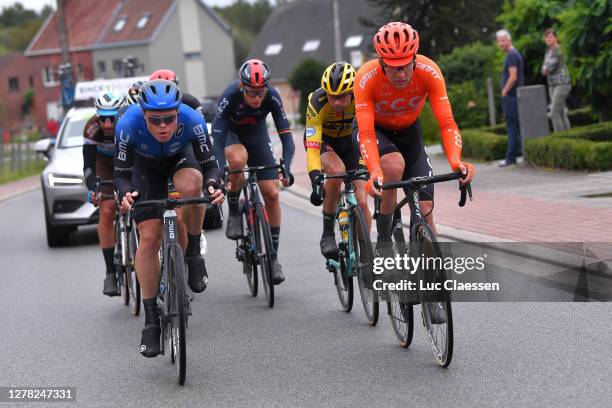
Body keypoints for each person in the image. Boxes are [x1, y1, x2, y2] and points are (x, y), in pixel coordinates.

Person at [114, 79, 224, 357]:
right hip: (144, 167)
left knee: (193, 186)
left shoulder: (193, 119)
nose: (163, 126)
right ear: (143, 115)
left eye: (169, 119)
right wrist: (125, 192)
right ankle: (151, 320)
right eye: (155, 120)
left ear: (178, 113)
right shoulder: (127, 125)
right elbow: (121, 175)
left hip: (180, 160)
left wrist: (214, 184)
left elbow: (211, 165)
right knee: (149, 239)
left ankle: (194, 254)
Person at [354, 21, 474, 243]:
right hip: (377, 132)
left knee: (426, 209)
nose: (401, 74)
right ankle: (383, 240)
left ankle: (435, 271)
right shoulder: (365, 77)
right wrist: (374, 172)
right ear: (381, 63)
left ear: (415, 59)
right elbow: (367, 134)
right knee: (393, 165)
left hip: (409, 132)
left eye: (406, 66)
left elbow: (447, 123)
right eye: (393, 67)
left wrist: (457, 162)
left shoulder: (430, 71)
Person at [212, 59, 295, 285]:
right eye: (252, 93)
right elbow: (217, 140)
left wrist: (286, 164)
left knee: (272, 193)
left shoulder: (272, 96)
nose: (257, 98)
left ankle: (274, 257)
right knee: (238, 159)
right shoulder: (230, 95)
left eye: (261, 92)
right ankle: (235, 212)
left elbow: (286, 136)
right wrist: (219, 170)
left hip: (257, 135)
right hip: (232, 135)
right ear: (242, 87)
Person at [305, 61, 371, 257]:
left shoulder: (363, 97)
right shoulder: (317, 101)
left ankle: (367, 254)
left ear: (351, 92)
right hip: (326, 143)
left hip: (351, 144)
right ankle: (327, 234)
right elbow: (313, 146)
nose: (336, 103)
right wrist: (315, 177)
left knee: (362, 201)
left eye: (342, 97)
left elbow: (369, 134)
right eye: (332, 97)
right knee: (336, 171)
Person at [83, 88, 126, 296]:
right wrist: (94, 188)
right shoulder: (91, 128)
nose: (107, 125)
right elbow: (88, 166)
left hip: (125, 160)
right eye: (103, 119)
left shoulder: (129, 123)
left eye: (112, 119)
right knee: (107, 210)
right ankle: (110, 272)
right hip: (103, 163)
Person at [496, 29, 525, 167]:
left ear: (509, 40)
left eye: (503, 40)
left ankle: (511, 157)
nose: (501, 43)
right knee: (515, 126)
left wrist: (504, 92)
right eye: (499, 41)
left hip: (511, 96)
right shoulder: (513, 54)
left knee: (511, 127)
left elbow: (513, 77)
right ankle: (517, 153)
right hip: (514, 96)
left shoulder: (512, 55)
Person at [541, 28, 571, 132]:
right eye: (546, 37)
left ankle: (560, 138)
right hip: (552, 84)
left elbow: (549, 68)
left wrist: (546, 68)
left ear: (556, 38)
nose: (548, 39)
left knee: (553, 112)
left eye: (550, 36)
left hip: (562, 83)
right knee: (561, 112)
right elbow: (543, 70)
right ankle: (569, 137)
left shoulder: (559, 50)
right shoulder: (547, 52)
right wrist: (546, 69)